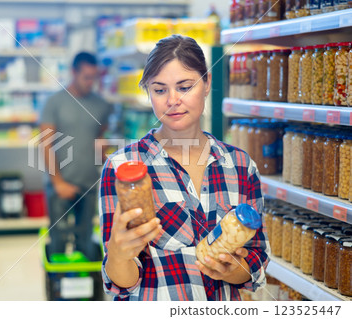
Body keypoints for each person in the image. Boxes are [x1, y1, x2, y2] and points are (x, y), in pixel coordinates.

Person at [99, 35, 270, 301]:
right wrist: (119, 255)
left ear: (207, 83)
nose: (172, 100)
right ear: (148, 92)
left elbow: (256, 260)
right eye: (159, 90)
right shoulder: (122, 168)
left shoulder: (240, 165)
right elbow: (123, 284)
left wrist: (229, 270)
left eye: (185, 87)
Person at [40, 52, 111, 261]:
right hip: (59, 185)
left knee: (86, 242)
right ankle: (60, 290)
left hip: (89, 184)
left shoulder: (101, 105)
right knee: (59, 243)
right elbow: (46, 144)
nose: (91, 82)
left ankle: (87, 291)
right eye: (86, 77)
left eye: (94, 77)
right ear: (74, 72)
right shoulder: (54, 102)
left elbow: (100, 140)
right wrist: (58, 182)